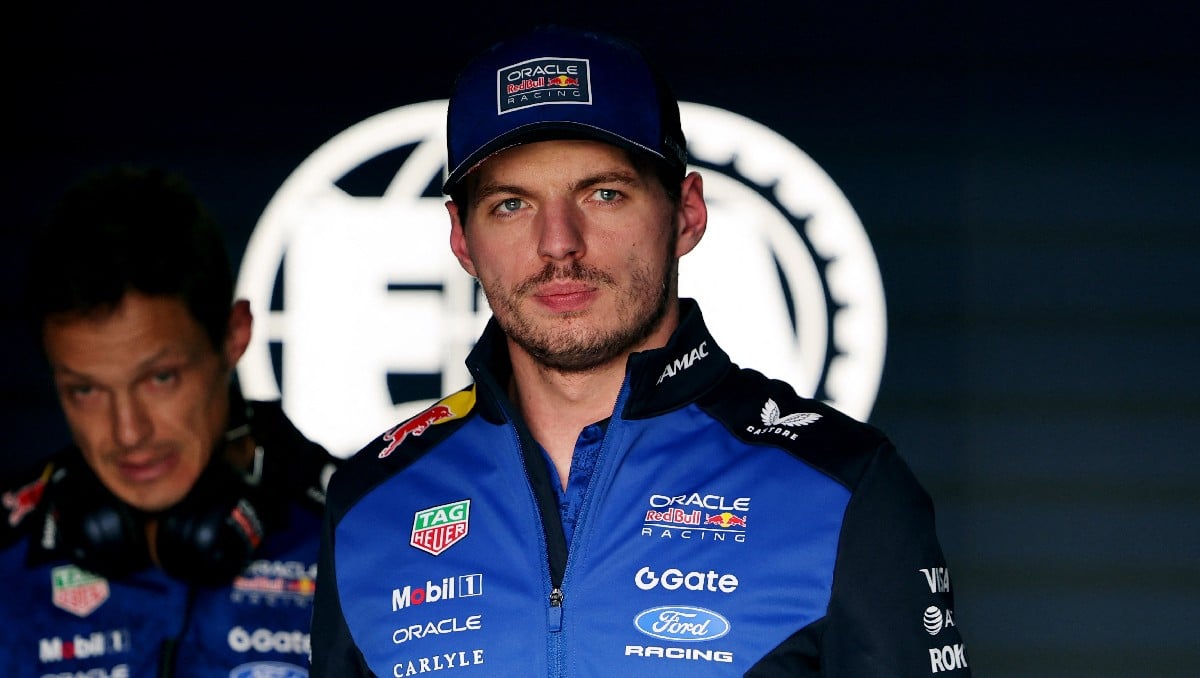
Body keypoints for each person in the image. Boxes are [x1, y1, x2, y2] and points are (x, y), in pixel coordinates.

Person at [311, 25, 969, 677]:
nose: (558, 243)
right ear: (461, 238)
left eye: (604, 194)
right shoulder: (371, 503)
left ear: (686, 213)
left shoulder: (843, 484)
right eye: (511, 205)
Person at [0, 166, 340, 677]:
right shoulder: (8, 552)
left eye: (160, 378)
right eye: (86, 390)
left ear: (234, 336)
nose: (128, 433)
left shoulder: (356, 531)